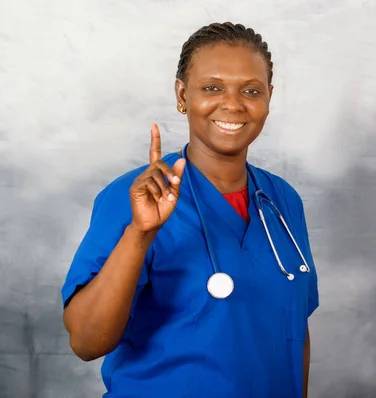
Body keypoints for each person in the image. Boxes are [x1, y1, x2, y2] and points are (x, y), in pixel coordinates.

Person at [61, 22, 319, 398]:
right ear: (182, 94)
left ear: (268, 97)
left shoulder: (283, 201)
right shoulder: (133, 197)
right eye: (212, 88)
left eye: (251, 90)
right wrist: (140, 234)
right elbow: (86, 342)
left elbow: (295, 333)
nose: (232, 104)